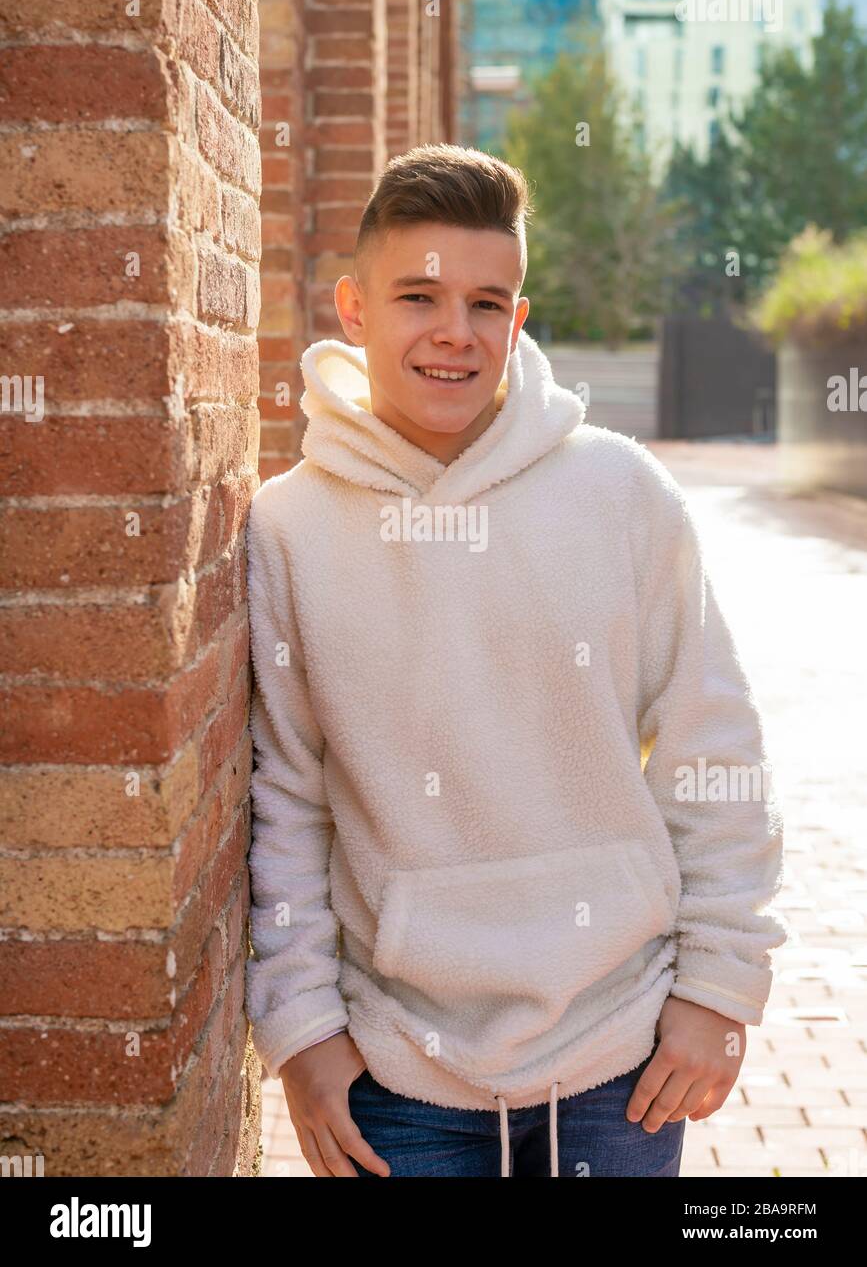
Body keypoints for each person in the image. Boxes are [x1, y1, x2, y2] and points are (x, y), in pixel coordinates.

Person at [243, 143, 790, 1178]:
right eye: (419, 295)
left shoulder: (623, 496)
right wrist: (301, 1026)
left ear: (519, 321)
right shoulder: (289, 530)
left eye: (487, 303)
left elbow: (714, 752)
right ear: (354, 310)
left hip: (622, 1059)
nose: (456, 331)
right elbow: (286, 799)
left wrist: (720, 989)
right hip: (399, 1073)